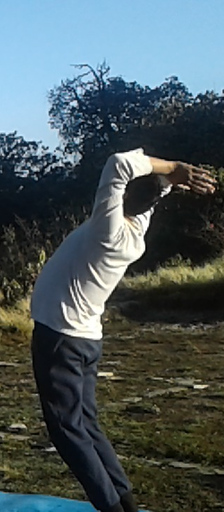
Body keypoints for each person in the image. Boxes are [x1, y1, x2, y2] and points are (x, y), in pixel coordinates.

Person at [30, 149, 216, 512]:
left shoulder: (109, 226)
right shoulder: (136, 229)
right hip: (83, 338)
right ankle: (123, 500)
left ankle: (111, 506)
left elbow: (118, 164)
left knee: (67, 431)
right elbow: (149, 194)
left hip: (60, 337)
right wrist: (169, 181)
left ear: (125, 197)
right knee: (85, 422)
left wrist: (174, 168)